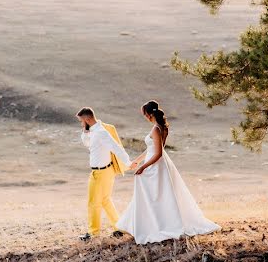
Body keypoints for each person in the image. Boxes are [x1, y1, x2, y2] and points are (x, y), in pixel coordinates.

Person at [116, 100, 220, 244]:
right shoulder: (162, 127)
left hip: (156, 165)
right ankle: (141, 223)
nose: (144, 117)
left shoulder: (155, 129)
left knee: (152, 194)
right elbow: (151, 149)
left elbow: (158, 153)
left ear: (149, 114)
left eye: (144, 114)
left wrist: (143, 167)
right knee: (158, 195)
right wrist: (138, 160)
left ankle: (151, 225)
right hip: (160, 164)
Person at [77, 106, 131, 241]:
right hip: (105, 171)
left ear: (87, 119)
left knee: (93, 202)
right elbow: (87, 143)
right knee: (105, 200)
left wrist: (128, 162)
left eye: (81, 121)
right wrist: (85, 131)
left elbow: (115, 147)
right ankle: (119, 227)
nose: (80, 123)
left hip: (100, 173)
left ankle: (93, 233)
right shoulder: (94, 132)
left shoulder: (101, 132)